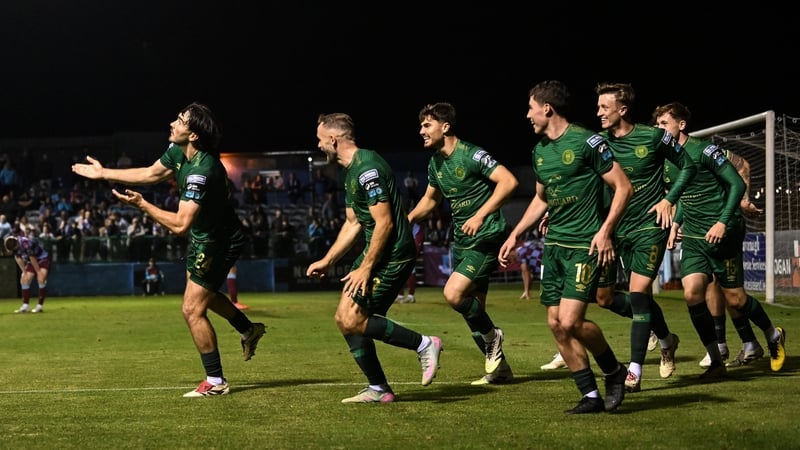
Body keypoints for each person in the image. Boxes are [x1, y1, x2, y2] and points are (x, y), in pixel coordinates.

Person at [71, 102, 267, 397]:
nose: (172, 123)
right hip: (205, 237)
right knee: (205, 295)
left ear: (194, 136)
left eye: (180, 120)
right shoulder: (179, 152)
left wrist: (142, 205)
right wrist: (104, 174)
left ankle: (215, 382)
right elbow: (150, 174)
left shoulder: (202, 170)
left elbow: (179, 224)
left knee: (192, 308)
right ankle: (247, 329)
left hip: (219, 241)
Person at [499, 80, 633, 414]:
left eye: (530, 108)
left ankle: (615, 371)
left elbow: (623, 188)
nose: (527, 115)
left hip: (584, 245)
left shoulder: (588, 141)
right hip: (554, 246)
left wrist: (605, 231)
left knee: (572, 321)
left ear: (547, 108)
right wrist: (516, 233)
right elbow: (541, 198)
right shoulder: (540, 150)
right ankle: (589, 395)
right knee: (556, 323)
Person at [307, 112, 442, 403]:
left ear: (333, 139)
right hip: (377, 252)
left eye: (320, 140)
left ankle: (424, 344)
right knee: (344, 318)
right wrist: (328, 260)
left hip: (393, 255)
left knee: (354, 319)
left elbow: (385, 223)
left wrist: (366, 268)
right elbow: (353, 223)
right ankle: (379, 389)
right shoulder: (350, 170)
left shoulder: (368, 168)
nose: (318, 146)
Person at [653, 102, 786, 374]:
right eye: (657, 125)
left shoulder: (704, 150)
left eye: (664, 123)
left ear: (681, 124)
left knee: (735, 299)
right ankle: (716, 357)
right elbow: (686, 198)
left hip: (723, 232)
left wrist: (723, 222)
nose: (660, 129)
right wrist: (676, 224)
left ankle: (772, 335)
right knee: (692, 294)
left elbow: (736, 183)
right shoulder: (666, 160)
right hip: (693, 236)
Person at [592, 82, 698, 392]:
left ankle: (634, 371)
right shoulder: (598, 143)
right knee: (604, 299)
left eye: (603, 107)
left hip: (649, 227)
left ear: (622, 110)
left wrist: (669, 199)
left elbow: (687, 166)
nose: (598, 112)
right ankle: (666, 339)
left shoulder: (654, 136)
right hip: (614, 231)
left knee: (639, 294)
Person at [406, 102, 518, 386]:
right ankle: (500, 369)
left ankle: (494, 338)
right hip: (463, 241)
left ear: (446, 127)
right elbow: (431, 200)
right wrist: (408, 219)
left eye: (427, 125)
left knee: (453, 294)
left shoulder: (472, 154)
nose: (421, 131)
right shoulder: (436, 163)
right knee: (474, 310)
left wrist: (481, 215)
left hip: (486, 237)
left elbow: (508, 182)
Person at [5, 234, 50, 313]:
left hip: (42, 258)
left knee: (41, 278)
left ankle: (39, 306)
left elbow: (32, 258)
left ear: (17, 244)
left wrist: (38, 272)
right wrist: (24, 271)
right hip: (30, 261)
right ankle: (25, 306)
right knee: (24, 279)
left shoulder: (25, 243)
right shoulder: (13, 245)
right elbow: (18, 258)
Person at [395, 221, 425, 304]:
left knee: (411, 271)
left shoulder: (417, 229)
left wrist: (412, 254)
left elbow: (418, 243)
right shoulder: (402, 226)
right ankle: (400, 295)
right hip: (401, 252)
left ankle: (411, 296)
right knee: (399, 273)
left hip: (411, 253)